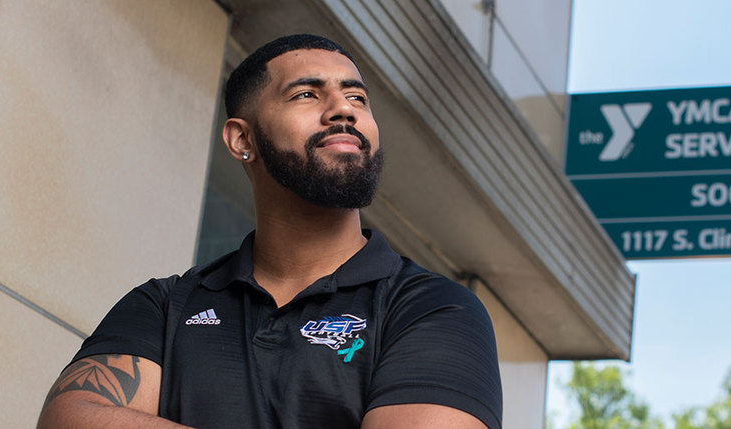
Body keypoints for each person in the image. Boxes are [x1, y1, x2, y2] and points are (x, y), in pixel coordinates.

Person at [37, 34, 503, 429]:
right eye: (307, 94)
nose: (343, 110)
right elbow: (71, 416)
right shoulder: (165, 307)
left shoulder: (431, 307)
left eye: (357, 97)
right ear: (243, 140)